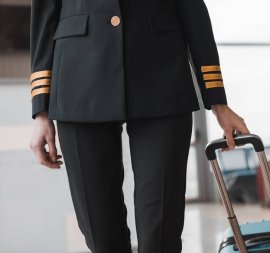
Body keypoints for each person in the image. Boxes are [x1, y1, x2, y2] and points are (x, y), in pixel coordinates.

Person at [29, 1, 249, 253]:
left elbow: (194, 14)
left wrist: (218, 102)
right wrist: (41, 111)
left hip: (162, 79)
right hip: (78, 83)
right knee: (102, 238)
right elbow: (44, 21)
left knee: (161, 235)